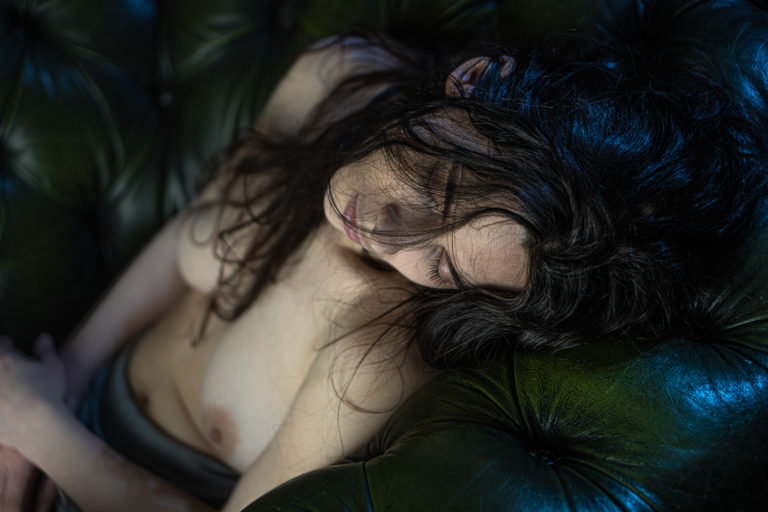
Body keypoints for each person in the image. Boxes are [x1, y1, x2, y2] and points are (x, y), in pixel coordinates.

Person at [0, 27, 765, 512]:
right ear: (474, 80)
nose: (390, 235)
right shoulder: (334, 77)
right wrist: (59, 374)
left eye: (444, 263)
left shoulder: (373, 354)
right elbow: (190, 232)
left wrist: (42, 431)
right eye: (440, 184)